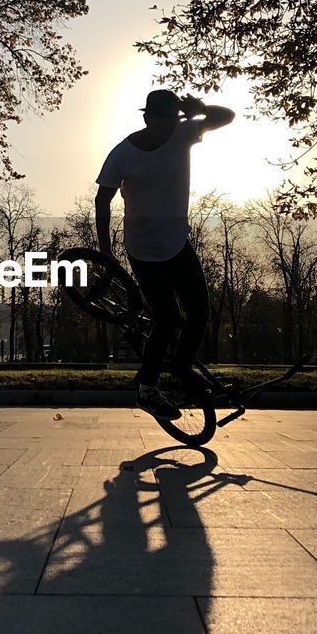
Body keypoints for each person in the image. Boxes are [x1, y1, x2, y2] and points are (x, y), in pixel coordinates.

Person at [95, 89, 234, 418]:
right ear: (146, 119)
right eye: (161, 124)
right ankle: (146, 387)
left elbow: (226, 117)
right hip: (143, 249)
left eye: (173, 122)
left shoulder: (184, 132)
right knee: (168, 319)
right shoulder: (122, 155)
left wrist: (199, 109)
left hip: (177, 241)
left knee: (200, 313)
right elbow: (103, 201)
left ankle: (182, 369)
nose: (167, 130)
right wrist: (105, 253)